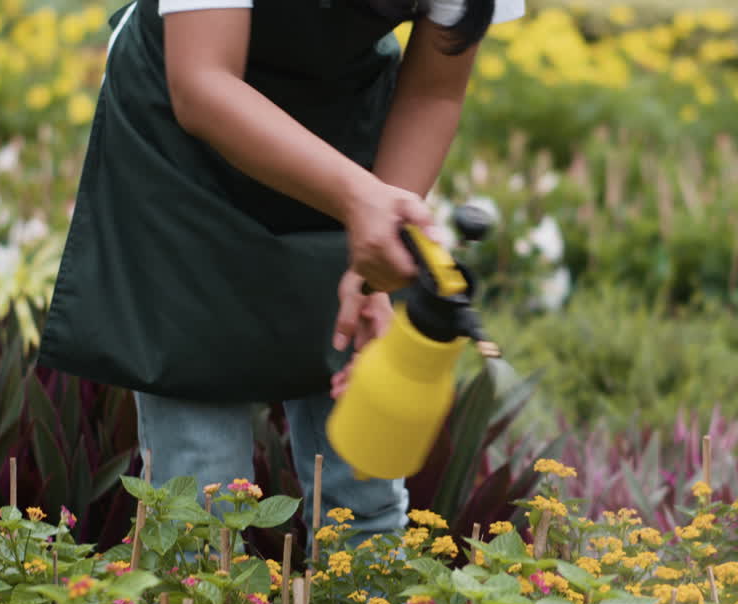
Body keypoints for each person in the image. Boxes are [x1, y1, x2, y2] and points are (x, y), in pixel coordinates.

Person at [36, 0, 524, 548]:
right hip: (182, 146)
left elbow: (434, 91)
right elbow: (202, 82)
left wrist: (376, 257)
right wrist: (361, 197)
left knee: (365, 502)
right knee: (203, 499)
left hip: (342, 133)